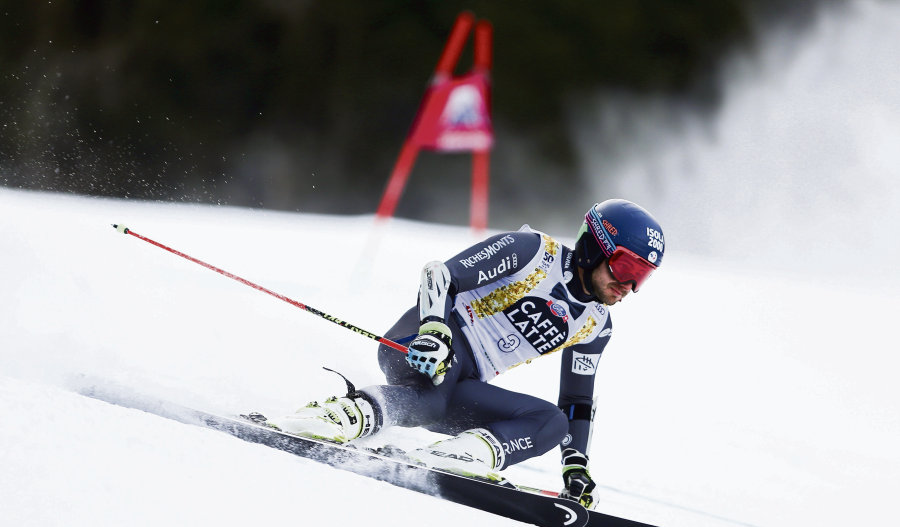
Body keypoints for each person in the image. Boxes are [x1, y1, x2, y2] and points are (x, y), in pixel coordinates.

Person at [268, 198, 665, 508]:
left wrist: (576, 466)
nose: (628, 285)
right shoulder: (533, 254)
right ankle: (337, 415)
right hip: (422, 342)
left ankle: (464, 455)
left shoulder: (595, 324)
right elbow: (441, 275)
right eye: (625, 267)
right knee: (434, 394)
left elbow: (577, 402)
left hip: (464, 382)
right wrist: (436, 331)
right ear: (594, 247)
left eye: (642, 276)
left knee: (552, 422)